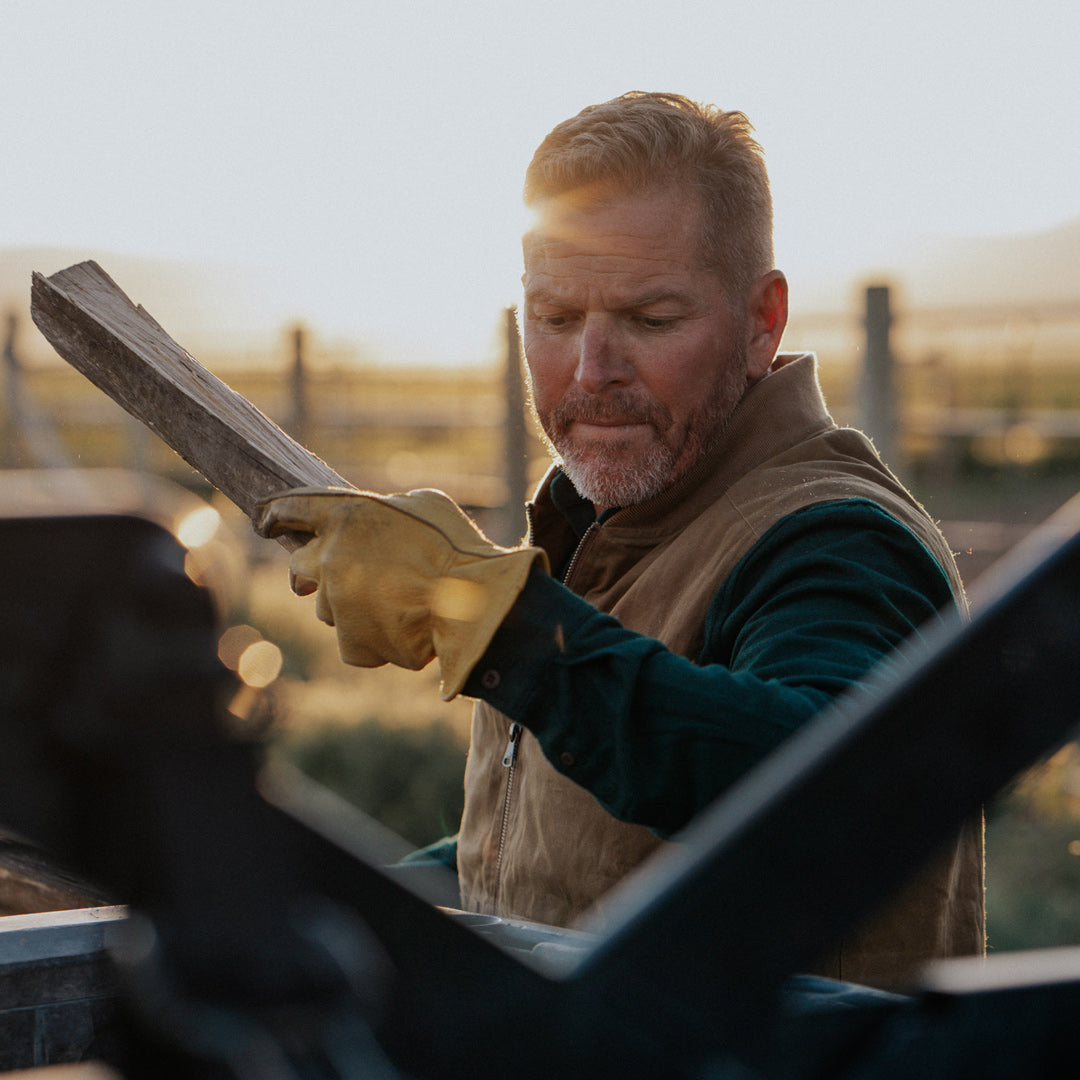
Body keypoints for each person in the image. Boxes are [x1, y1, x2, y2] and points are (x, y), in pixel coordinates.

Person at [256, 91, 984, 990]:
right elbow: (578, 846)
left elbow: (816, 786)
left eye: (650, 320)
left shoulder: (837, 539)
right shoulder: (607, 522)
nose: (592, 371)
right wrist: (384, 900)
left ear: (763, 321)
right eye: (556, 319)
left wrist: (502, 625)